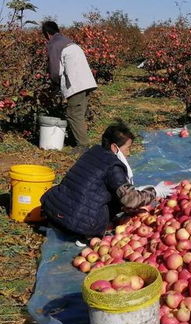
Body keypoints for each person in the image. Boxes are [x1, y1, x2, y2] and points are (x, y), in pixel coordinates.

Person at [41, 122, 176, 240]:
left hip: (54, 211)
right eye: (127, 148)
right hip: (80, 224)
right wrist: (154, 191)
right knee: (119, 202)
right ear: (114, 147)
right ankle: (86, 237)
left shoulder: (93, 152)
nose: (129, 153)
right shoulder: (114, 166)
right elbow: (130, 200)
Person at [42, 21, 97, 151]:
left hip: (76, 85)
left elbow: (56, 71)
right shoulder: (69, 42)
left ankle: (82, 146)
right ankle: (76, 140)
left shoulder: (54, 44)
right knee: (79, 113)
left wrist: (54, 83)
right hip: (87, 82)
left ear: (47, 34)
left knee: (73, 114)